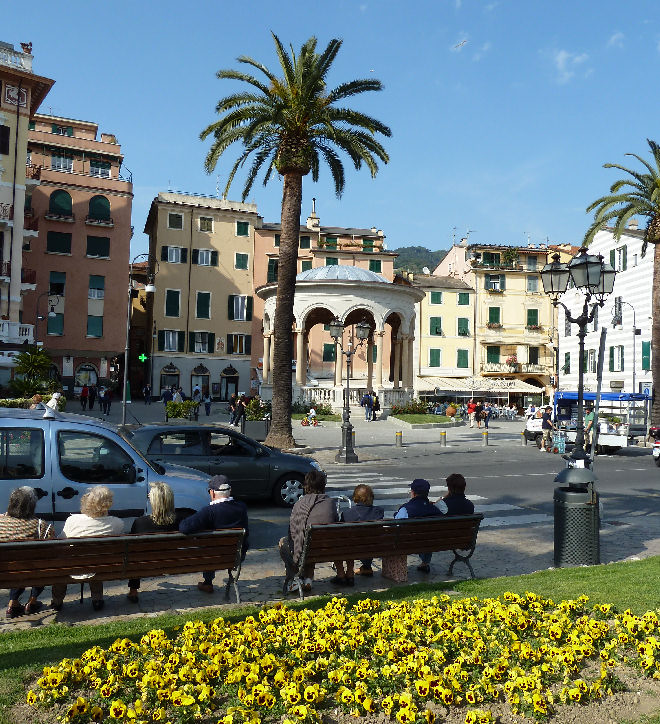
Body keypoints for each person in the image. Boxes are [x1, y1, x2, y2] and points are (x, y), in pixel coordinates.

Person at [51, 486, 124, 612]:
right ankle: (97, 599)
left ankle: (57, 601)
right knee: (95, 561)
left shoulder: (72, 520)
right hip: (99, 567)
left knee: (64, 564)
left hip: (72, 567)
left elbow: (60, 542)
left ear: (87, 502)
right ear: (109, 503)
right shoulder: (117, 523)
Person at [179, 475, 249, 594]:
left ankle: (208, 582)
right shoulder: (241, 507)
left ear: (212, 492)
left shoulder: (209, 512)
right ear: (230, 491)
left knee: (208, 547)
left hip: (213, 559)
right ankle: (209, 582)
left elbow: (184, 527)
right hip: (236, 557)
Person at [127, 482, 189, 604]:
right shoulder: (181, 520)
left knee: (135, 557)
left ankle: (133, 590)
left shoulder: (140, 522)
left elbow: (131, 548)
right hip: (173, 562)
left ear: (154, 501)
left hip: (145, 564)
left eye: (150, 496)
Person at [0, 487, 55, 618]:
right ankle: (32, 601)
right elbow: (51, 553)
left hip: (4, 573)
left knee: (16, 565)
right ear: (32, 505)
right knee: (35, 565)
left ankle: (12, 603)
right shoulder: (42, 526)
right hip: (33, 572)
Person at [279, 470, 337, 593]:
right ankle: (308, 579)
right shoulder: (331, 503)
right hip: (328, 549)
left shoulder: (300, 504)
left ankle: (295, 578)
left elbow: (294, 534)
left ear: (307, 486)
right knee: (310, 540)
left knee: (284, 543)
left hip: (308, 550)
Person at [334, 484, 384, 583]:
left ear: (355, 498)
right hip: (374, 547)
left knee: (345, 542)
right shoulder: (379, 512)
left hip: (353, 549)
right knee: (366, 540)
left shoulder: (347, 514)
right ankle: (366, 567)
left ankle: (348, 572)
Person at [394, 478, 443, 573]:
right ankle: (425, 563)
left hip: (408, 543)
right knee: (427, 535)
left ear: (413, 493)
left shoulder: (406, 509)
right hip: (431, 542)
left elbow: (396, 525)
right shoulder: (434, 509)